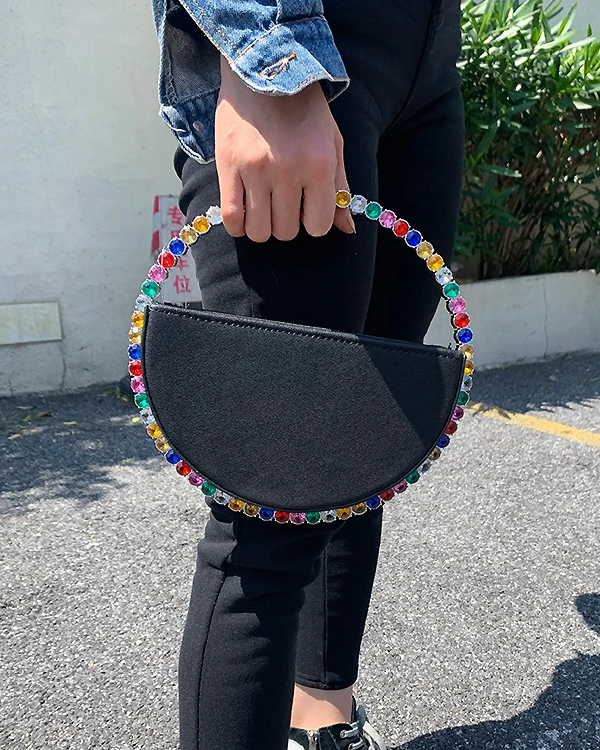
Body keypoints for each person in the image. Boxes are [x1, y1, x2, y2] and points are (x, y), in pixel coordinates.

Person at [149, 1, 465, 749]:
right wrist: (268, 61)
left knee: (360, 435)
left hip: (426, 55)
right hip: (305, 33)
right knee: (269, 503)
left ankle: (322, 717)